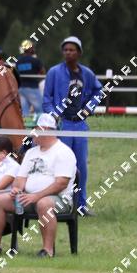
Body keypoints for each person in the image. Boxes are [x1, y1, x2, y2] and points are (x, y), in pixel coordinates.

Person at [0, 113, 77, 258]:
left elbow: (61, 184)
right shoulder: (30, 153)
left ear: (45, 130)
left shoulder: (64, 152)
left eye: (35, 129)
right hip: (29, 197)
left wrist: (36, 196)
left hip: (59, 199)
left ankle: (47, 251)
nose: (32, 133)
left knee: (43, 204)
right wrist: (17, 189)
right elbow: (20, 178)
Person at [42, 36, 103, 216]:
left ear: (79, 52)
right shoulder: (54, 72)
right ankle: (61, 203)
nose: (68, 53)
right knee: (62, 165)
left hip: (80, 125)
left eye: (72, 50)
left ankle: (81, 205)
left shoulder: (87, 74)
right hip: (63, 124)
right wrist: (53, 114)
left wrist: (89, 108)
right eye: (65, 50)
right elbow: (46, 98)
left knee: (81, 166)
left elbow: (98, 91)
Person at [16, 39, 45, 120]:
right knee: (40, 111)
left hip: (21, 89)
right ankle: (40, 125)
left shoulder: (18, 61)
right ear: (30, 49)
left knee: (25, 112)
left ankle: (26, 125)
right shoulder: (35, 61)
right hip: (33, 88)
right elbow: (43, 72)